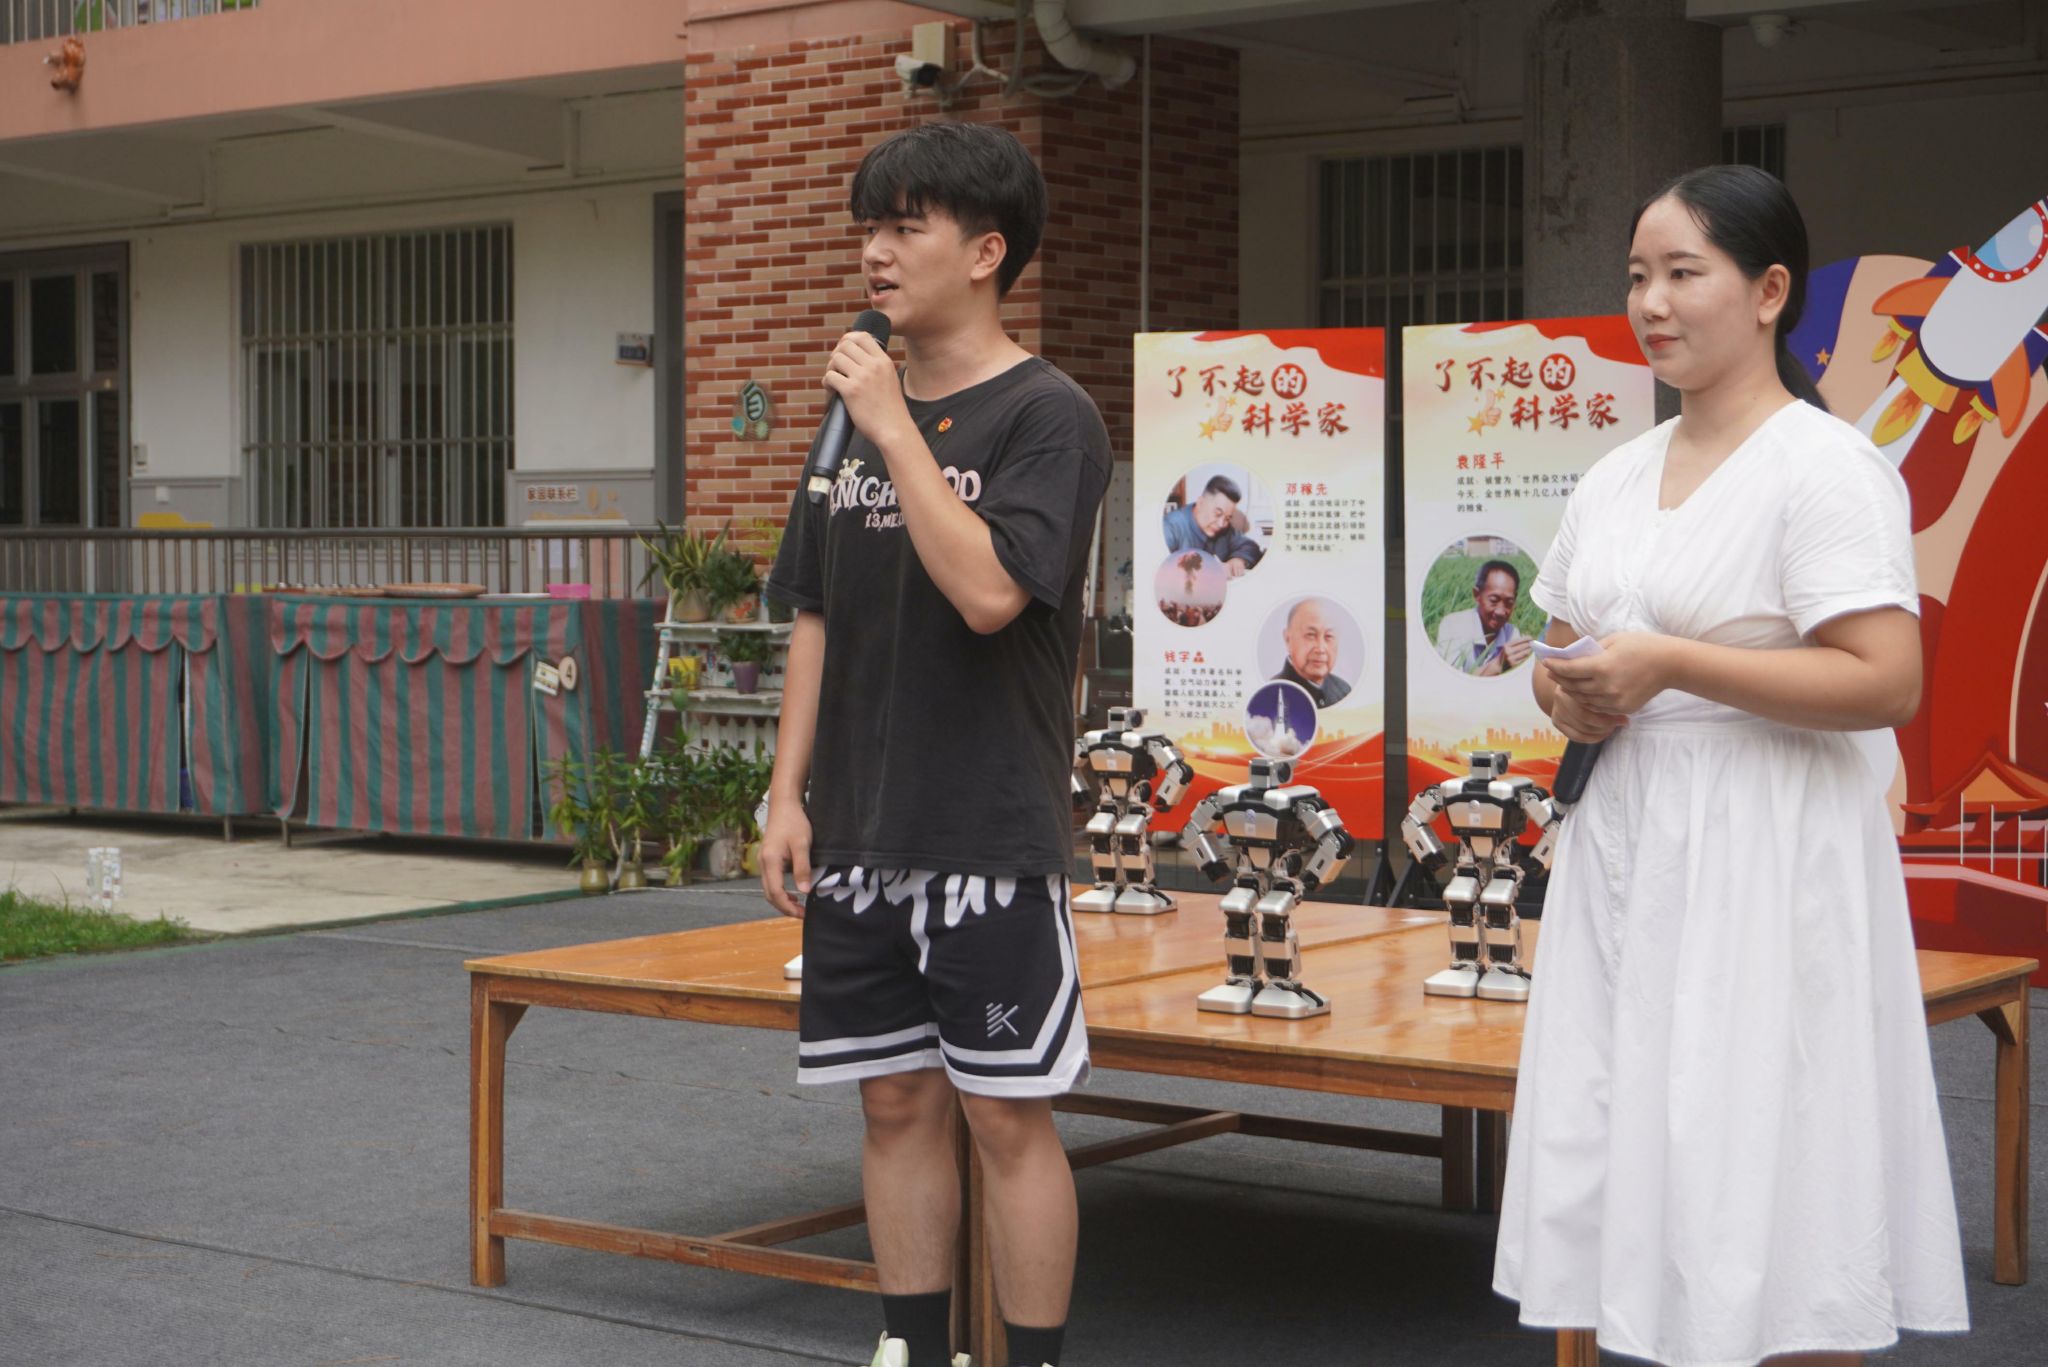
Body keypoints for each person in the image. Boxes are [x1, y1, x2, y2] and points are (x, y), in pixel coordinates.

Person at [1494, 165, 1967, 1367]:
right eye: (1635, 276)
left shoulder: (1823, 466)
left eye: (1680, 273)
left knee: (1774, 1150)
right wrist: (1571, 691)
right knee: (1630, 1141)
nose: (1649, 302)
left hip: (1765, 855)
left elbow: (1884, 679)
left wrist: (1667, 664)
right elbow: (1555, 656)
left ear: (1766, 292)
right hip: (1627, 847)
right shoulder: (1613, 474)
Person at [760, 122, 1109, 1367]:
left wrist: (896, 428)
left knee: (1006, 1114)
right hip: (858, 826)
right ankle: (909, 1345)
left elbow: (990, 593)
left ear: (985, 251)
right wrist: (785, 791)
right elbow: (814, 610)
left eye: (905, 227)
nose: (875, 251)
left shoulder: (1047, 416)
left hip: (986, 829)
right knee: (893, 1099)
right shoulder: (850, 417)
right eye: (869, 227)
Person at [1434, 560, 1534, 676]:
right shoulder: (1453, 626)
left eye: (1509, 602)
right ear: (1477, 594)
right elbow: (1451, 681)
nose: (1501, 611)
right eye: (1493, 600)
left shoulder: (1511, 633)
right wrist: (1498, 664)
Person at [1162, 473, 1263, 575]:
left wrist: (1239, 560)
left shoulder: (1225, 529)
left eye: (1227, 518)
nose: (1221, 524)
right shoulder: (1170, 527)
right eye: (1217, 514)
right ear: (1200, 503)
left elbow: (1250, 547)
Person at [1271, 597, 1351, 707]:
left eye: (1329, 636)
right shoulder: (1271, 693)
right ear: (1287, 639)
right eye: (1311, 635)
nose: (1320, 649)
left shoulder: (1344, 690)